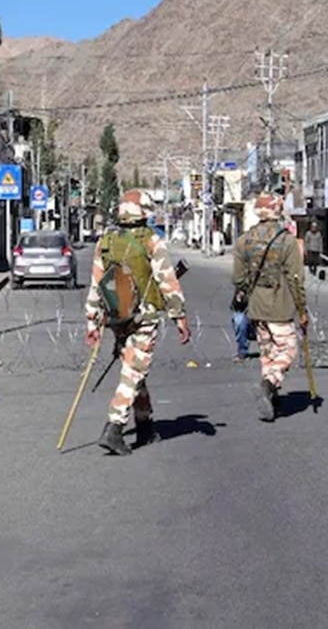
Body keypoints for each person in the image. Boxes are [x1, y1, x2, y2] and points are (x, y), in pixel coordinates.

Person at [85, 190, 190, 456]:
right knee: (134, 371)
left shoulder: (106, 240)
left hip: (116, 317)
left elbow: (97, 284)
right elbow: (167, 280)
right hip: (144, 317)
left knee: (135, 369)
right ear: (144, 211)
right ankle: (114, 427)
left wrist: (92, 321)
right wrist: (179, 317)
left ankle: (145, 425)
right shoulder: (152, 240)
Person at [233, 193, 305, 422]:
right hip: (280, 305)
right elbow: (296, 279)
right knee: (287, 350)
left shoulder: (245, 240)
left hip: (256, 306)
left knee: (267, 354)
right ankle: (269, 384)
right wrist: (302, 310)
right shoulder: (287, 240)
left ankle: (272, 401)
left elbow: (238, 278)